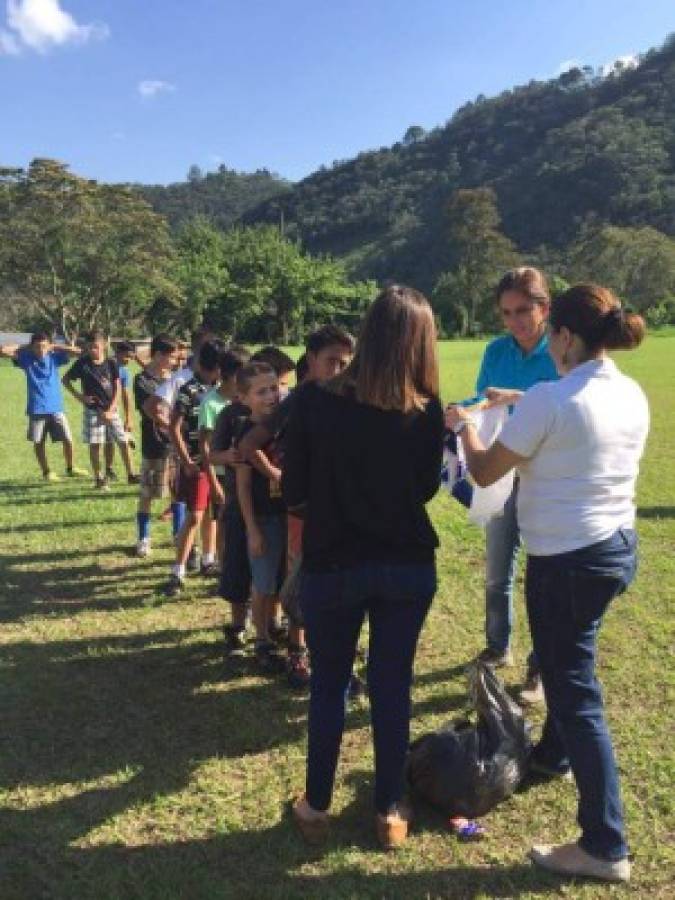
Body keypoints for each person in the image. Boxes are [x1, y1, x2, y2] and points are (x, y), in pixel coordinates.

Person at [445, 284, 648, 883]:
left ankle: (605, 845)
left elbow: (483, 468)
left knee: (575, 690)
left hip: (566, 561)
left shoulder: (552, 402)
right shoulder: (627, 391)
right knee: (569, 664)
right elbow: (557, 410)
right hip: (615, 549)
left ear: (562, 335)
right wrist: (523, 397)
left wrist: (463, 426)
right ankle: (555, 757)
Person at [283, 286, 444, 850]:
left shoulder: (310, 400)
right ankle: (389, 809)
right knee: (392, 686)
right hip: (406, 565)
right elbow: (425, 488)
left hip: (332, 564)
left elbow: (295, 490)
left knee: (329, 686)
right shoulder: (427, 412)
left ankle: (316, 805)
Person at [240, 326, 356, 688]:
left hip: (346, 509)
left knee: (345, 582)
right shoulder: (300, 399)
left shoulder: (355, 395)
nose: (339, 369)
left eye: (346, 362)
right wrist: (285, 472)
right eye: (331, 361)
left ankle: (342, 657)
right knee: (303, 579)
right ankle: (298, 649)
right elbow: (250, 442)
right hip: (305, 510)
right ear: (311, 361)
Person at [472, 268, 558, 707]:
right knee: (496, 571)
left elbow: (569, 405)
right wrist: (464, 412)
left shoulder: (562, 350)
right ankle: (497, 644)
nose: (516, 321)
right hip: (503, 474)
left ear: (543, 308)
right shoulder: (496, 349)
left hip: (547, 478)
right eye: (507, 313)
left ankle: (540, 667)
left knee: (543, 579)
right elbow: (479, 399)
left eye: (523, 310)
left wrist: (516, 399)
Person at [234, 362, 290, 673]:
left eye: (275, 388)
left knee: (281, 580)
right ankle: (262, 640)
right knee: (263, 583)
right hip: (263, 519)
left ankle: (275, 623)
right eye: (262, 391)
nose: (272, 395)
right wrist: (252, 529)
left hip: (287, 514)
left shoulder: (285, 424)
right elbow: (242, 486)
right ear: (244, 398)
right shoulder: (245, 431)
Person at [163, 339, 222, 596]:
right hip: (196, 464)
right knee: (196, 515)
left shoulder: (222, 390)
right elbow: (174, 426)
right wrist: (186, 460)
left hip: (217, 463)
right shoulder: (190, 390)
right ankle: (178, 570)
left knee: (213, 514)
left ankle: (209, 559)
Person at [0, 332, 87, 481]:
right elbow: (3, 351)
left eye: (44, 346)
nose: (41, 350)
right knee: (39, 442)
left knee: (68, 439)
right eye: (37, 347)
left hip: (56, 407)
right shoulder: (26, 358)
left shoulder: (54, 358)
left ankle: (71, 467)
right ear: (32, 347)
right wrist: (26, 346)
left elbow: (79, 352)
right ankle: (47, 472)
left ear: (49, 346)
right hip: (37, 408)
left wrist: (54, 345)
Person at [62, 332, 139, 490]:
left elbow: (117, 387)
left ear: (104, 345)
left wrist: (111, 409)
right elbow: (65, 379)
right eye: (89, 347)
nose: (92, 350)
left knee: (123, 441)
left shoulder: (111, 363)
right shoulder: (82, 363)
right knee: (96, 444)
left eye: (95, 347)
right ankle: (99, 478)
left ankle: (131, 474)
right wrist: (79, 396)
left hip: (112, 410)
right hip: (93, 411)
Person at [200, 346, 251, 569]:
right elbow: (205, 446)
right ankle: (223, 565)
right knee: (222, 523)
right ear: (230, 375)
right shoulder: (210, 403)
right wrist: (212, 482)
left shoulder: (247, 401)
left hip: (242, 473)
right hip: (221, 475)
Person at [132, 334, 180, 557]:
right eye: (171, 357)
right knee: (148, 494)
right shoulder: (142, 380)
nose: (174, 361)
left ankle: (178, 533)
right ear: (158, 355)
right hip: (155, 443)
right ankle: (143, 537)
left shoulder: (175, 378)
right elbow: (154, 412)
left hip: (177, 444)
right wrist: (173, 427)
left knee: (178, 491)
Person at [105, 341, 136, 482]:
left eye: (131, 357)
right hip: (100, 409)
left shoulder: (124, 371)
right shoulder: (104, 365)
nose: (128, 360)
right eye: (126, 356)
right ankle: (111, 470)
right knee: (109, 441)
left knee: (120, 440)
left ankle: (130, 473)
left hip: (114, 411)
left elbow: (126, 395)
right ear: (118, 353)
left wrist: (129, 418)